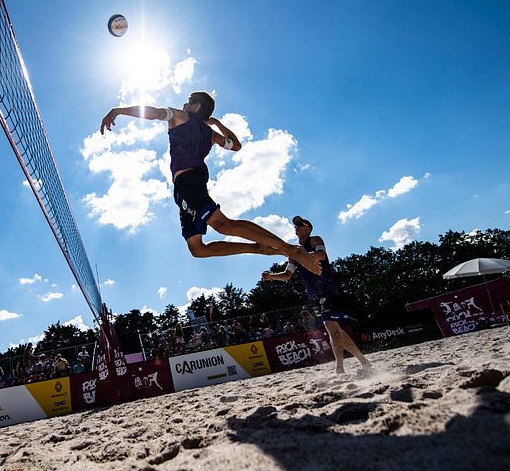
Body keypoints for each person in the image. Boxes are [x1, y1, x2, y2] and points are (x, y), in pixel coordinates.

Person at [100, 93, 322, 276]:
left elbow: (155, 113)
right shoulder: (209, 133)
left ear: (195, 106)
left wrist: (120, 110)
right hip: (186, 187)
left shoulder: (180, 116)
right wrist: (215, 123)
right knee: (197, 248)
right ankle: (255, 247)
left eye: (188, 101)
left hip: (189, 182)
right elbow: (235, 145)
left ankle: (290, 249)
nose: (184, 104)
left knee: (223, 225)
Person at [262, 215, 372, 374]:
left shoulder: (314, 240)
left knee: (332, 329)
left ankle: (340, 368)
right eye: (295, 225)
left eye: (300, 224)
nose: (296, 226)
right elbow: (288, 274)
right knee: (336, 331)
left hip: (327, 289)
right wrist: (271, 276)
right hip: (315, 295)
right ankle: (364, 361)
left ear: (308, 227)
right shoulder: (295, 251)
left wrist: (301, 254)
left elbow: (322, 255)